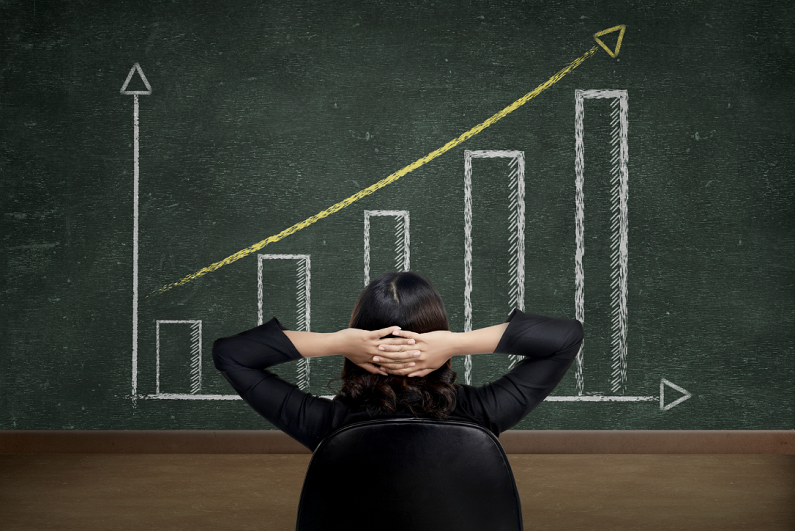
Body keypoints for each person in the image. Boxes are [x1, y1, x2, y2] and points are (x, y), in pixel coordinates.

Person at [212, 271, 583, 451]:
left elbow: (231, 354)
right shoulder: (481, 413)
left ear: (360, 335)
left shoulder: (325, 424)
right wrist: (456, 343)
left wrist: (336, 342)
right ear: (437, 332)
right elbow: (565, 338)